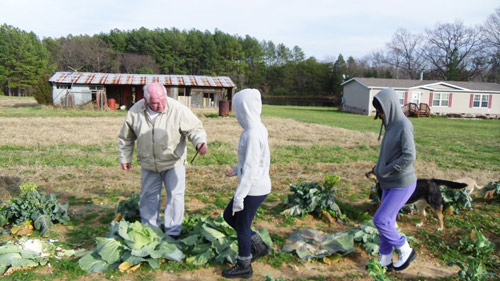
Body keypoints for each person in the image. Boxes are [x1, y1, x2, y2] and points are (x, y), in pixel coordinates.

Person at [118, 82, 208, 238]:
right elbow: (126, 137)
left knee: (175, 197)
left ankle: (173, 233)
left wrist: (199, 142)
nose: (160, 105)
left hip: (174, 162)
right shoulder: (135, 111)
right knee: (148, 197)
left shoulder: (177, 109)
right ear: (146, 101)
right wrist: (125, 157)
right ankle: (151, 231)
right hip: (149, 163)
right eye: (155, 103)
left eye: (163, 100)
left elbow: (195, 128)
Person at [221, 89, 271, 279]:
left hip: (253, 188)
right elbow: (254, 162)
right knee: (229, 217)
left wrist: (239, 198)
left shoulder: (252, 134)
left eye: (238, 108)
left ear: (245, 109)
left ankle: (244, 265)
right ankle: (259, 246)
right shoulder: (256, 128)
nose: (235, 112)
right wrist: (237, 169)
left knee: (241, 226)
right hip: (255, 183)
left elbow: (250, 170)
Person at [371, 88, 417, 271]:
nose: (379, 115)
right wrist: (377, 170)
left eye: (380, 110)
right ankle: (386, 259)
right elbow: (388, 154)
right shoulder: (390, 126)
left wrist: (387, 171)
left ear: (389, 107)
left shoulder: (404, 126)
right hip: (389, 182)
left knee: (381, 220)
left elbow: (409, 156)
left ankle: (406, 249)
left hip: (402, 183)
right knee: (387, 222)